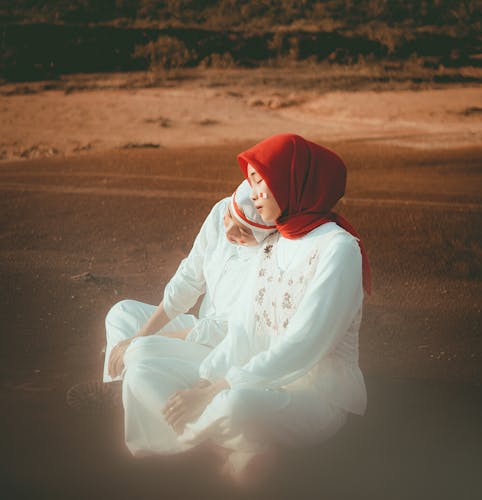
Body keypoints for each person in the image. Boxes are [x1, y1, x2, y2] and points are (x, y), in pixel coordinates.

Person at [122, 133, 371, 483]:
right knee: (140, 359)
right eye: (251, 182)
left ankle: (214, 441)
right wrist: (207, 379)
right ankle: (231, 446)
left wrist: (216, 389)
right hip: (247, 375)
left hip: (312, 393)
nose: (252, 193)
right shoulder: (274, 242)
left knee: (235, 406)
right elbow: (243, 329)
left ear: (292, 183)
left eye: (260, 182)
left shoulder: (339, 249)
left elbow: (305, 345)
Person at [65, 180, 276, 413]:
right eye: (229, 218)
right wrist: (142, 334)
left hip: (223, 351)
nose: (229, 232)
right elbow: (188, 279)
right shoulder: (221, 209)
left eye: (244, 231)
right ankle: (119, 391)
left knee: (140, 351)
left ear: (265, 234)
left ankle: (132, 402)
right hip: (198, 329)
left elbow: (233, 330)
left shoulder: (274, 253)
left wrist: (145, 341)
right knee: (122, 313)